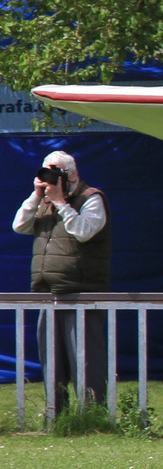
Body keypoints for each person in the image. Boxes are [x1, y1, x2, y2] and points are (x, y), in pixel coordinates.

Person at [11, 150, 110, 413]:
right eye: (45, 173)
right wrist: (37, 194)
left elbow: (84, 232)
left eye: (55, 173)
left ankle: (93, 414)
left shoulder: (91, 198)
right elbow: (19, 226)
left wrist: (62, 203)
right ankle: (57, 416)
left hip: (82, 292)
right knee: (52, 361)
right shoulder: (43, 200)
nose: (50, 179)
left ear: (72, 174)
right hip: (48, 292)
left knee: (86, 359)